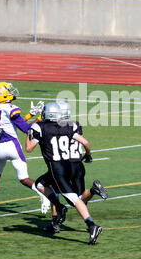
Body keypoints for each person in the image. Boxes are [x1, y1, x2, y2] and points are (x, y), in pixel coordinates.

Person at [25, 102, 102, 245]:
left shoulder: (40, 127)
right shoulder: (67, 126)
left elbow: (29, 148)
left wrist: (28, 133)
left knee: (73, 198)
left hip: (57, 168)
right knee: (40, 184)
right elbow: (85, 142)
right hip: (68, 164)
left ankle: (92, 225)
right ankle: (59, 207)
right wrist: (88, 154)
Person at [0, 81, 51, 216]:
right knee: (24, 179)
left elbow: (12, 122)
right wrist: (39, 118)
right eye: (8, 90)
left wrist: (29, 115)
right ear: (3, 95)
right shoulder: (11, 109)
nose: (11, 92)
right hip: (12, 146)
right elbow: (26, 129)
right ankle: (44, 195)